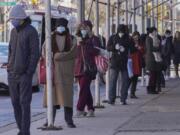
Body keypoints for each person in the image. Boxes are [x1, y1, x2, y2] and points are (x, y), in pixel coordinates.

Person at [7, 5, 40, 135]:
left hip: (24, 75)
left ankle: (25, 131)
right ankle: (21, 129)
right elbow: (10, 50)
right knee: (15, 103)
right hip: (12, 74)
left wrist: (29, 72)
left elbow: (34, 53)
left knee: (24, 103)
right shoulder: (13, 32)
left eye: (13, 19)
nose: (12, 21)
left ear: (21, 18)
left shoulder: (31, 31)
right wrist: (9, 66)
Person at [43, 18, 76, 128]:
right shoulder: (49, 38)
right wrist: (60, 56)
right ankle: (49, 120)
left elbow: (72, 53)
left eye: (62, 25)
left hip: (66, 74)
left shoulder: (71, 39)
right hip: (53, 74)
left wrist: (56, 56)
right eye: (59, 25)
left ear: (66, 27)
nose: (60, 27)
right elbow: (44, 52)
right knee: (52, 99)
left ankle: (69, 120)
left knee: (67, 99)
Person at [74, 20, 100, 117]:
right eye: (82, 28)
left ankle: (79, 109)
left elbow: (97, 51)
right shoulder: (78, 39)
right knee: (85, 89)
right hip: (79, 67)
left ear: (90, 28)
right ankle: (90, 109)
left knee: (83, 89)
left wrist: (86, 44)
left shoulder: (94, 39)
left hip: (89, 68)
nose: (83, 30)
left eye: (86, 28)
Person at [107, 24, 134, 105]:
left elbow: (133, 48)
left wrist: (125, 49)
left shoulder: (128, 38)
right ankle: (112, 99)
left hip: (124, 62)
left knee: (125, 81)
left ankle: (123, 98)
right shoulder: (113, 37)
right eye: (120, 32)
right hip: (114, 62)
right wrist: (115, 47)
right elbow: (108, 47)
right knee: (113, 81)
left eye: (122, 32)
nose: (121, 33)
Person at [145, 27, 162, 94]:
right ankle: (150, 89)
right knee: (152, 75)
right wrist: (158, 48)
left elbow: (159, 46)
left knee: (155, 74)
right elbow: (150, 49)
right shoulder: (148, 38)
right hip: (151, 59)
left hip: (157, 58)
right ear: (152, 32)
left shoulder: (156, 38)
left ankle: (153, 88)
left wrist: (158, 48)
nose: (156, 32)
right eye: (155, 31)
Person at [130, 31, 144, 98]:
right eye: (135, 36)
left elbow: (143, 51)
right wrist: (136, 47)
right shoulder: (130, 43)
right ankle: (128, 92)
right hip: (132, 62)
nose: (136, 38)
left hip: (138, 62)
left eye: (137, 36)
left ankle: (132, 93)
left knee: (135, 79)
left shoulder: (140, 43)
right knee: (130, 79)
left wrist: (138, 47)